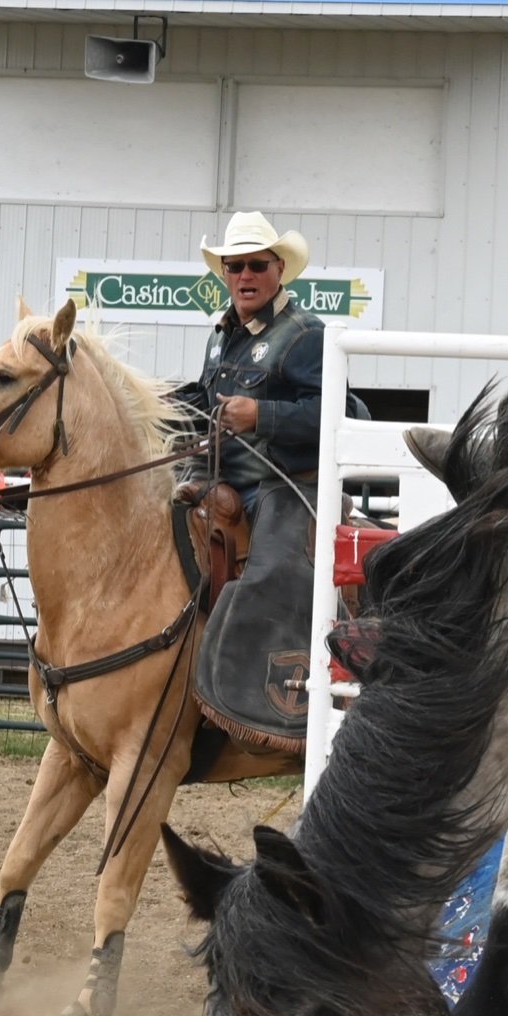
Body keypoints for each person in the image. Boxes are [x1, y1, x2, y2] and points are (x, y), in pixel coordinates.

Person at [170, 210, 368, 751]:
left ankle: (281, 709)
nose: (245, 275)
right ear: (224, 273)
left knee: (274, 571)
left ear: (280, 269)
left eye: (257, 265)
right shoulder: (221, 336)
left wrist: (262, 415)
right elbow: (204, 397)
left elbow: (344, 412)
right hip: (225, 481)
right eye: (235, 266)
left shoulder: (305, 336)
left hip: (289, 485)